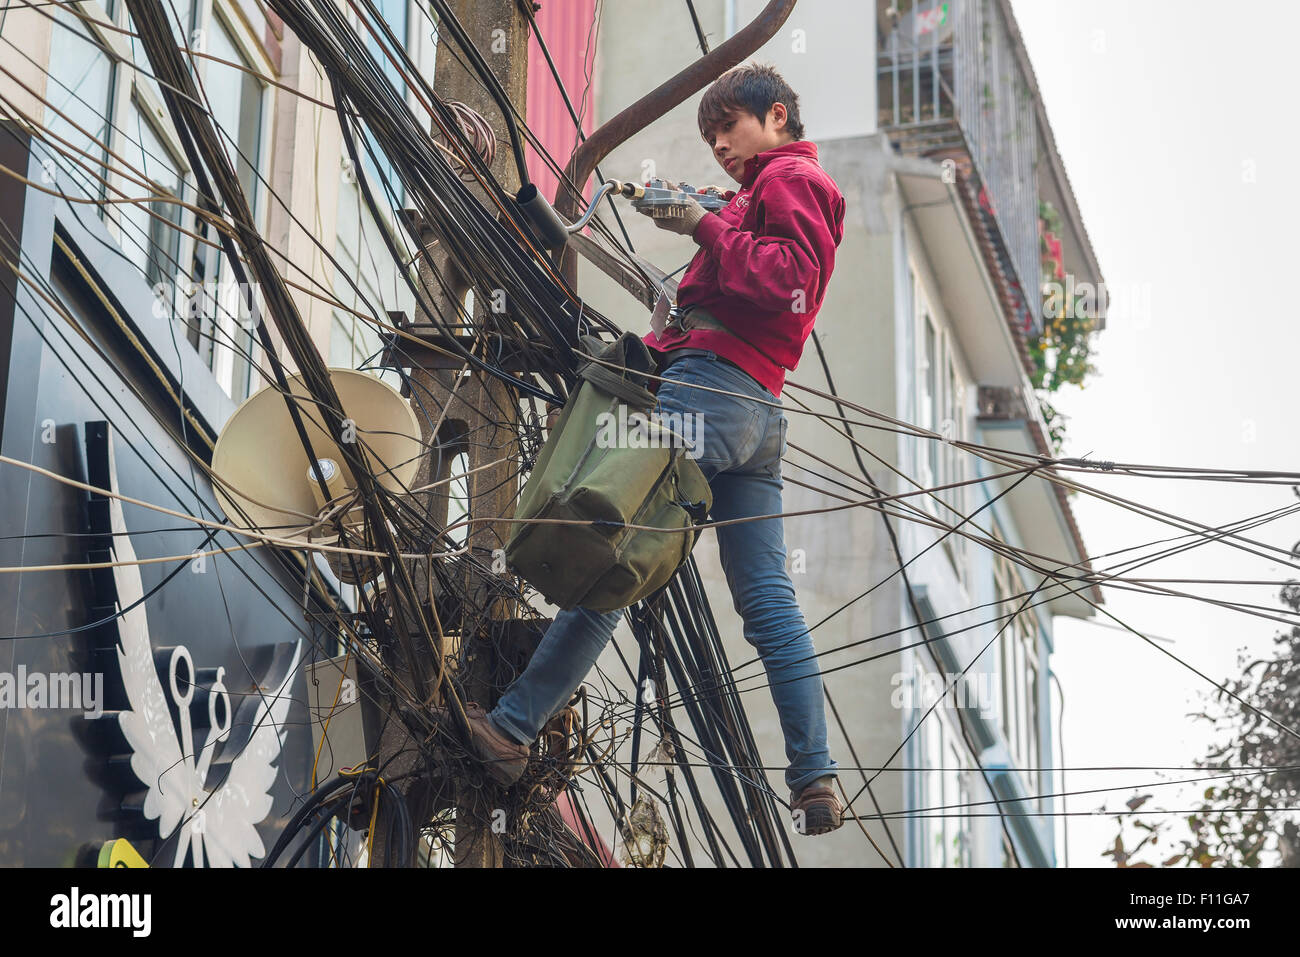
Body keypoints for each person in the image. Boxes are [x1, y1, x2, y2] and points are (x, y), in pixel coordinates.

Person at [457, 63, 848, 837]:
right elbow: (753, 273)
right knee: (768, 599)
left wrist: (706, 227)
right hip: (756, 415)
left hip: (712, 390)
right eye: (710, 137)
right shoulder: (761, 194)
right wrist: (706, 224)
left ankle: (510, 726)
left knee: (614, 542)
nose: (721, 146)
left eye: (728, 128)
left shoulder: (792, 178)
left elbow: (787, 283)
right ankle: (815, 775)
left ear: (776, 116)